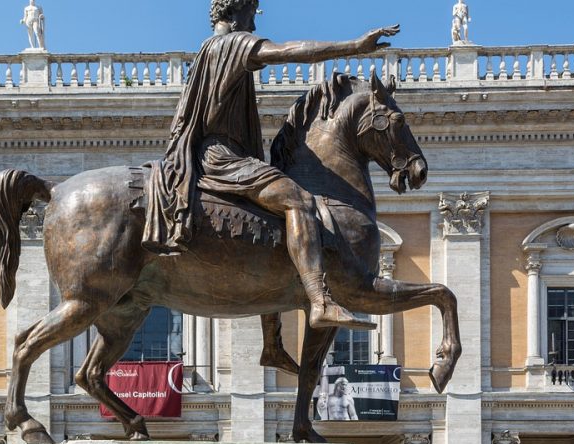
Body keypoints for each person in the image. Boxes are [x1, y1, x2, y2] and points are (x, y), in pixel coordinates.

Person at [143, 0, 399, 330]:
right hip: (223, 159)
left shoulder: (206, 52)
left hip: (211, 155)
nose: (254, 23)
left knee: (268, 229)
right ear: (236, 12)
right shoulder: (233, 44)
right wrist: (354, 46)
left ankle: (273, 343)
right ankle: (320, 301)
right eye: (252, 13)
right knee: (298, 200)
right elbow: (291, 51)